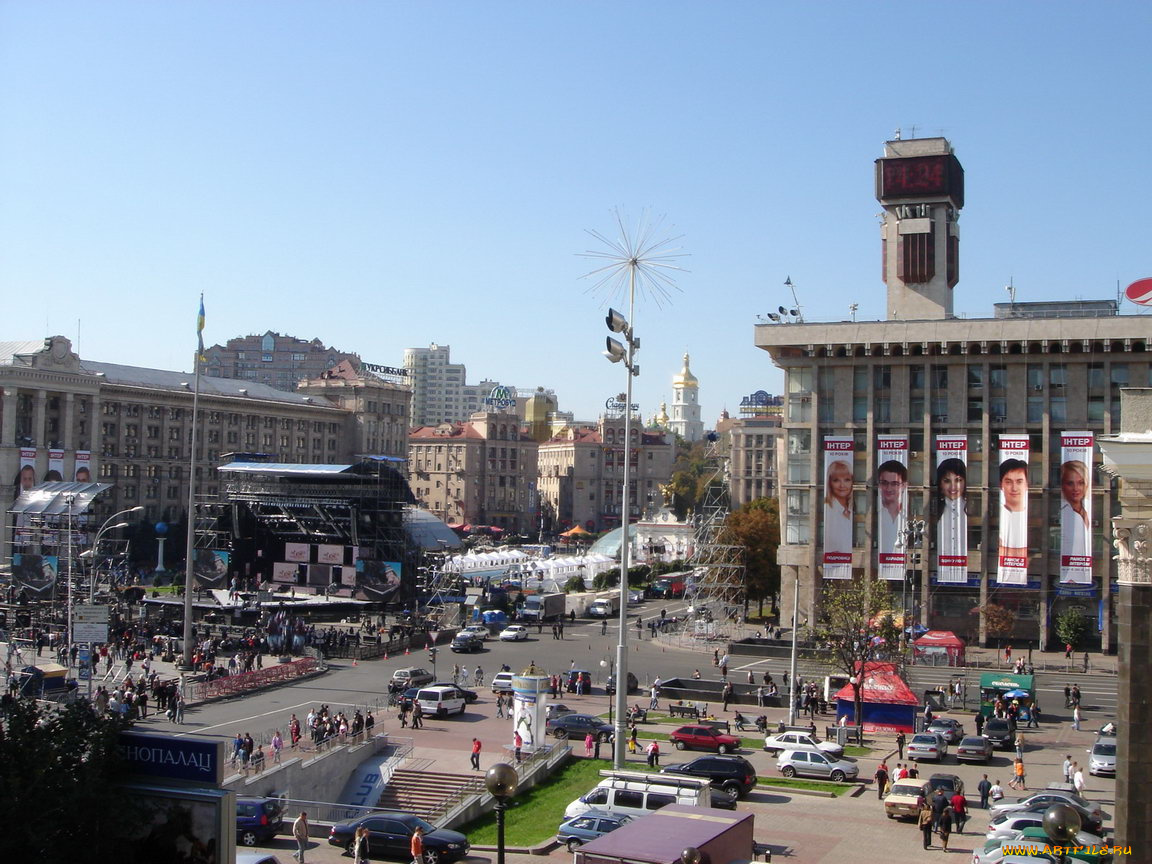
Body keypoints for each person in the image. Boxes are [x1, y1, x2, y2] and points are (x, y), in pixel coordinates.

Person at [935, 457, 967, 564]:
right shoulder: (934, 510)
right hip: (940, 560)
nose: (953, 487)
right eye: (947, 481)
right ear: (940, 484)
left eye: (958, 480)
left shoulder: (972, 510)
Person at [998, 458, 1030, 560]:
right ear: (1001, 485)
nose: (1014, 488)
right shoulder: (998, 515)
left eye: (1019, 482)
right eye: (1008, 482)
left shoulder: (1032, 515)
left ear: (1026, 485)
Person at [876, 459, 908, 559]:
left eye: (894, 484)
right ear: (879, 484)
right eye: (884, 483)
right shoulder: (876, 515)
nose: (888, 488)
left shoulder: (908, 514)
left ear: (903, 486)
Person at [1060, 460, 1091, 558]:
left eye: (1080, 483)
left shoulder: (1088, 509)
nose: (1076, 488)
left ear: (1086, 484)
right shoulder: (1063, 512)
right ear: (1062, 485)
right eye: (1070, 483)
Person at [823, 458, 854, 553]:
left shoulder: (853, 508)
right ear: (829, 483)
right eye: (836, 480)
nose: (842, 485)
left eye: (847, 480)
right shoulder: (828, 510)